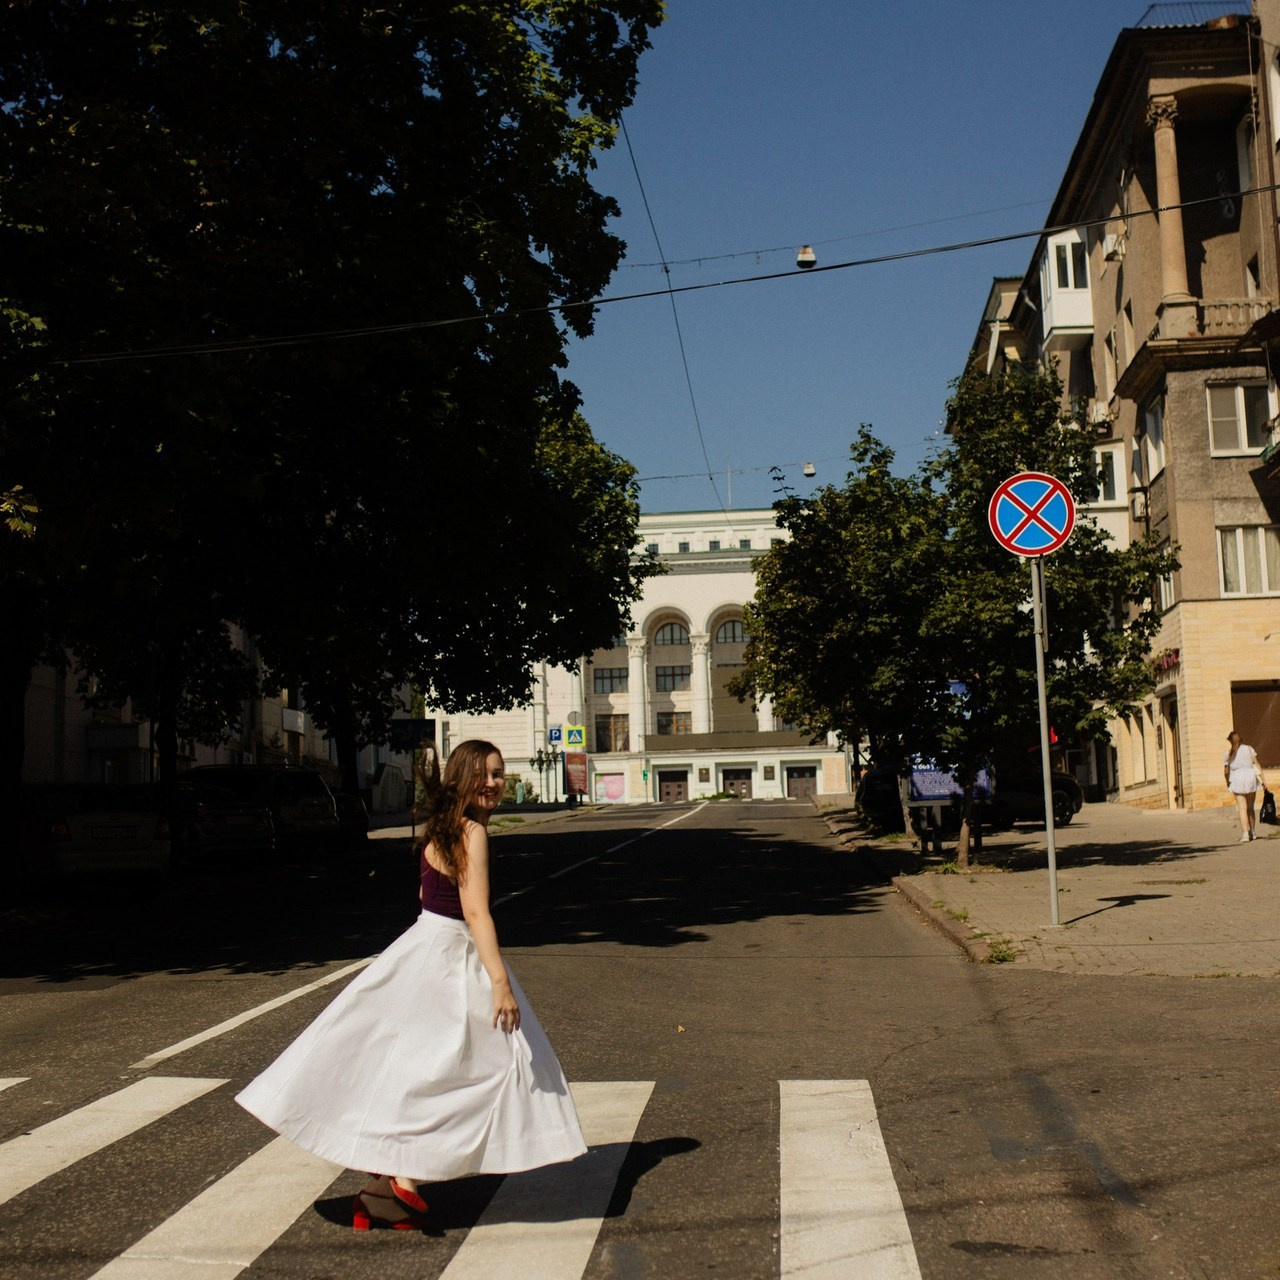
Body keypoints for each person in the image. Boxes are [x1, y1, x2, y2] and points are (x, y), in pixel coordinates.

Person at [236, 739, 585, 1230]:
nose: (493, 783)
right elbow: (476, 913)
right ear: (462, 778)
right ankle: (405, 1167)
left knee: (411, 1065)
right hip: (454, 955)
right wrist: (499, 981)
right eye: (484, 774)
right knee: (483, 1070)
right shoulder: (473, 834)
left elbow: (425, 894)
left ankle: (381, 1194)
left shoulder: (437, 830)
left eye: (498, 774)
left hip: (421, 947)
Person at [1223, 729, 1263, 843]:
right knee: (1250, 807)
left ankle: (1245, 834)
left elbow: (1226, 771)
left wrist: (1227, 782)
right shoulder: (1249, 749)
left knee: (1242, 808)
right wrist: (1263, 780)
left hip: (1237, 778)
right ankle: (1253, 832)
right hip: (1250, 777)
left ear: (1230, 741)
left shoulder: (1228, 754)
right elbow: (1257, 764)